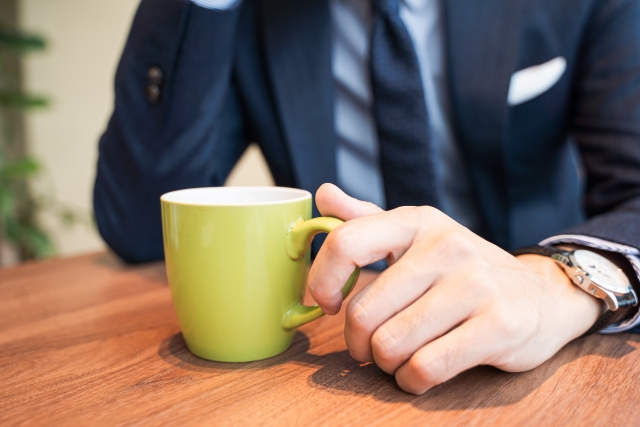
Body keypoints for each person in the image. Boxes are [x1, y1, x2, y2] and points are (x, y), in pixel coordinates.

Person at [94, 0, 640, 394]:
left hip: (542, 360)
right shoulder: (253, 15)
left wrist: (557, 283)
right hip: (335, 351)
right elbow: (143, 227)